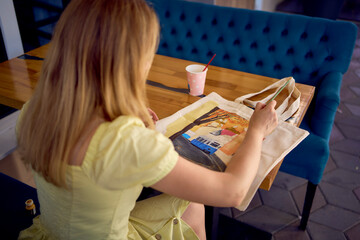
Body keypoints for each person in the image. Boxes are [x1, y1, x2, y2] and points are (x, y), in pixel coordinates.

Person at [16, 0, 278, 239]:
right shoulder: (124, 140)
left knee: (190, 204)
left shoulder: (35, 109)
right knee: (192, 202)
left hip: (54, 232)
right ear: (131, 63)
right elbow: (232, 192)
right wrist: (255, 130)